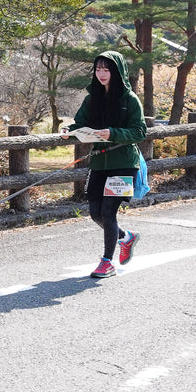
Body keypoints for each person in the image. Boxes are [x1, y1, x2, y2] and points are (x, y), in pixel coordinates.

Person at [61, 50, 146, 279]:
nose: (101, 74)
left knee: (108, 212)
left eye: (106, 69)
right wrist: (68, 130)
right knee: (95, 213)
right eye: (98, 69)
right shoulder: (92, 98)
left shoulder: (130, 99)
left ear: (117, 71)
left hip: (124, 162)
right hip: (99, 161)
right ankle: (126, 237)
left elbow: (140, 132)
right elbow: (80, 123)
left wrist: (112, 133)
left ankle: (107, 262)